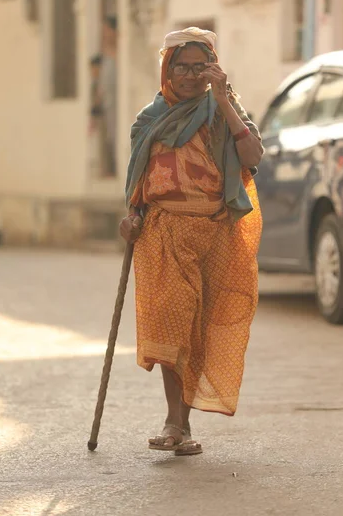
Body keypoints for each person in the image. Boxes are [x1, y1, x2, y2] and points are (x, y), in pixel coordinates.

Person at [120, 27, 264, 455]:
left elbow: (253, 157)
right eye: (181, 66)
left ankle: (180, 425)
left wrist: (223, 101)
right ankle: (173, 421)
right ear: (167, 68)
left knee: (197, 330)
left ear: (212, 69)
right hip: (162, 232)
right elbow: (137, 184)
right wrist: (130, 218)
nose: (189, 75)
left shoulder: (223, 109)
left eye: (199, 66)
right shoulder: (150, 120)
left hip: (215, 233)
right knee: (171, 323)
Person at [99, 16, 118, 176]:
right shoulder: (105, 51)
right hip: (108, 102)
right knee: (109, 135)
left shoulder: (118, 52)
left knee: (117, 133)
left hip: (117, 102)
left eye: (107, 30)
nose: (104, 34)